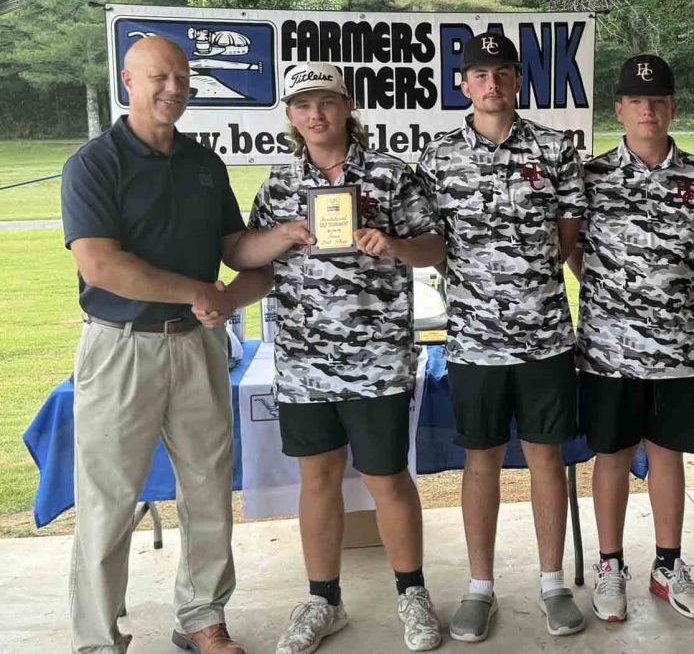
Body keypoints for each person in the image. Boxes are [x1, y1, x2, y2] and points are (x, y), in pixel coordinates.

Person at [224, 62, 447, 652]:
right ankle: (324, 599)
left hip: (376, 360)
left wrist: (395, 245)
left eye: (326, 101)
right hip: (302, 362)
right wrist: (274, 244)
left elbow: (435, 248)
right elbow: (251, 262)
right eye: (302, 105)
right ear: (291, 117)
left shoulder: (392, 176)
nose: (315, 114)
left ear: (346, 106)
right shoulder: (278, 184)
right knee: (317, 478)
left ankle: (412, 593)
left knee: (387, 478)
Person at [61, 37, 272, 654]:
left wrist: (285, 236)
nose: (172, 88)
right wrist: (198, 291)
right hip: (120, 346)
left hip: (198, 345)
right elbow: (101, 266)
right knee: (109, 500)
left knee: (207, 488)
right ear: (128, 79)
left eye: (181, 78)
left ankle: (202, 617)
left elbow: (235, 247)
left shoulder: (205, 164)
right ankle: (99, 639)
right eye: (159, 77)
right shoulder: (95, 163)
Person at [415, 32, 586, 640]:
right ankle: (480, 589)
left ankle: (552, 584)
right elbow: (430, 240)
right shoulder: (438, 158)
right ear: (464, 85)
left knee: (546, 457)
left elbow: (569, 229)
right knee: (480, 461)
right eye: (480, 74)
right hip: (473, 341)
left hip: (543, 336)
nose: (493, 83)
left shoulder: (555, 147)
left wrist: (526, 281)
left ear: (519, 81)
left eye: (504, 73)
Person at [569, 54, 694, 623]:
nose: (648, 110)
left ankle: (668, 566)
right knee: (609, 457)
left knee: (668, 457)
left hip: (680, 351)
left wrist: (665, 298)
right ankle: (611, 566)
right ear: (618, 109)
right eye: (637, 101)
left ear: (672, 109)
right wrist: (620, 299)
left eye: (658, 101)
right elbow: (574, 250)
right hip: (608, 351)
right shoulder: (591, 178)